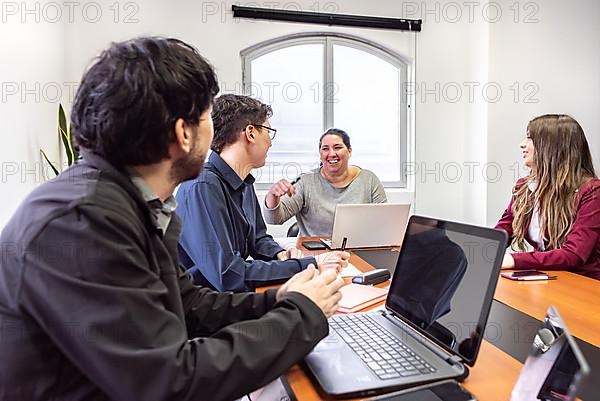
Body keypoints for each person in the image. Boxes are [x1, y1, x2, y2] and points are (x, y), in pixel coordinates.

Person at [0, 37, 345, 401]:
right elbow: (169, 383)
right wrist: (302, 315)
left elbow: (189, 305)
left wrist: (278, 300)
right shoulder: (83, 221)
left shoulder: (128, 202)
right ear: (183, 133)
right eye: (208, 116)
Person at [176, 94, 349, 292]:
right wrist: (309, 264)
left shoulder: (243, 181)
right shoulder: (202, 187)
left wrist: (280, 254)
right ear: (250, 133)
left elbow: (258, 239)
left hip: (230, 299)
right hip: (205, 310)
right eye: (268, 131)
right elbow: (228, 274)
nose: (270, 142)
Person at [496, 114, 599, 280]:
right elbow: (502, 232)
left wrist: (513, 260)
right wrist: (478, 249)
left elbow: (572, 255)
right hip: (546, 280)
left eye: (529, 138)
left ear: (552, 147)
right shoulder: (524, 186)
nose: (522, 144)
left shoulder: (592, 192)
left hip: (583, 285)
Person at [263, 128, 387, 237]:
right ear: (320, 154)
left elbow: (384, 222)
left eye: (337, 147)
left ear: (349, 151)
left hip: (360, 251)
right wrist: (273, 196)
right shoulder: (305, 182)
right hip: (315, 256)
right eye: (325, 149)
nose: (331, 154)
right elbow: (274, 219)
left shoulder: (369, 180)